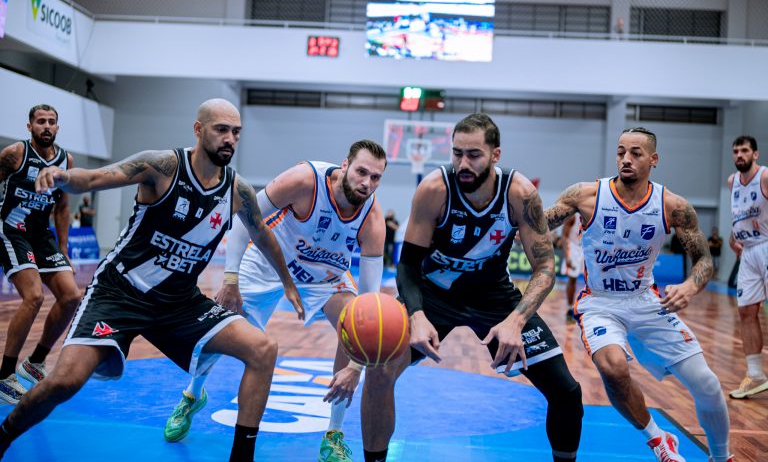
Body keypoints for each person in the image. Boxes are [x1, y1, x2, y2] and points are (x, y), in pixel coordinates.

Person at [0, 99, 302, 462]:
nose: (230, 139)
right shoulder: (162, 166)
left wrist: (288, 282)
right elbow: (95, 178)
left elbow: (263, 234)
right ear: (198, 130)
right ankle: (3, 436)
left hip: (179, 302)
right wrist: (63, 177)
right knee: (64, 381)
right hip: (120, 292)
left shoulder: (237, 191)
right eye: (221, 129)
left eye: (236, 132)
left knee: (263, 350)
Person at [360, 114, 583, 462]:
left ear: (495, 155)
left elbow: (544, 269)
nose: (463, 163)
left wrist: (516, 321)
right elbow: (408, 265)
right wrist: (416, 315)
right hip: (433, 294)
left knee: (566, 392)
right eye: (457, 153)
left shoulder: (520, 193)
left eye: (474, 154)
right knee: (378, 371)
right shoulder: (434, 189)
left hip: (494, 297)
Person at [165, 140, 387, 462]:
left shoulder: (373, 219)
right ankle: (192, 394)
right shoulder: (304, 181)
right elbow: (244, 217)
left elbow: (370, 304)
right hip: (267, 261)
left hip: (323, 275)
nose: (367, 183)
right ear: (345, 165)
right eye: (361, 172)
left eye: (375, 177)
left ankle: (334, 434)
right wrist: (230, 279)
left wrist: (355, 366)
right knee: (222, 327)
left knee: (355, 323)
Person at [546, 127, 732, 462]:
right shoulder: (586, 195)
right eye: (621, 152)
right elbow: (538, 224)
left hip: (646, 301)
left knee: (707, 384)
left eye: (635, 153)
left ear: (653, 159)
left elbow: (704, 260)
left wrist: (690, 285)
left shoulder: (672, 205)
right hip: (600, 302)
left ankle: (722, 457)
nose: (626, 159)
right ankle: (658, 439)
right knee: (614, 368)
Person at [0, 104, 82, 404]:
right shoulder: (15, 154)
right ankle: (4, 377)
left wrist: (64, 250)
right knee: (33, 297)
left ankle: (35, 362)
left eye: (51, 122)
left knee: (71, 296)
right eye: (40, 122)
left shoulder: (65, 160)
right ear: (30, 126)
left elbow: (62, 207)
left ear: (57, 127)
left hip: (41, 235)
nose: (46, 126)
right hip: (11, 230)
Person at [727, 135, 768, 399]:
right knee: (746, 311)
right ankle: (755, 375)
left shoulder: (764, 177)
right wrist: (733, 237)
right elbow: (738, 215)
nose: (739, 155)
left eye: (744, 150)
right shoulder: (732, 181)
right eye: (736, 151)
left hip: (766, 244)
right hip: (748, 251)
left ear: (755, 154)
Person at [560, 213, 583, 323]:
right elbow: (564, 235)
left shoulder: (594, 212)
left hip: (586, 247)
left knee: (592, 280)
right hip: (573, 248)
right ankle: (570, 308)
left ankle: (591, 308)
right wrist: (567, 256)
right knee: (572, 279)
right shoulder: (573, 216)